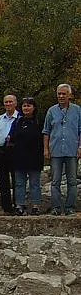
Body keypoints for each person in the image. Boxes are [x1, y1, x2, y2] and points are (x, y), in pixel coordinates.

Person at [42, 83, 81, 215]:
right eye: (59, 93)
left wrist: (80, 147)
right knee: (55, 181)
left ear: (69, 95)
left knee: (72, 181)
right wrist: (46, 149)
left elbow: (80, 130)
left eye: (64, 94)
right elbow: (46, 131)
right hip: (56, 150)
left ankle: (70, 208)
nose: (61, 96)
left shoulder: (77, 110)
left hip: (72, 150)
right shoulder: (51, 111)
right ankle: (56, 208)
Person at [8, 97, 44, 216]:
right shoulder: (18, 122)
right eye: (24, 106)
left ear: (34, 108)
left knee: (34, 183)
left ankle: (35, 206)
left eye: (29, 106)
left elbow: (43, 139)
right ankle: (19, 205)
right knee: (19, 183)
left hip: (35, 157)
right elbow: (11, 137)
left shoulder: (39, 122)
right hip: (19, 158)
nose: (26, 108)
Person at [0, 94, 20, 214]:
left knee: (17, 179)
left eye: (10, 102)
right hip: (1, 151)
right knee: (3, 180)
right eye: (6, 102)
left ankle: (18, 205)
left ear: (15, 103)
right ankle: (6, 207)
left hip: (15, 151)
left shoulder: (20, 118)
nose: (8, 104)